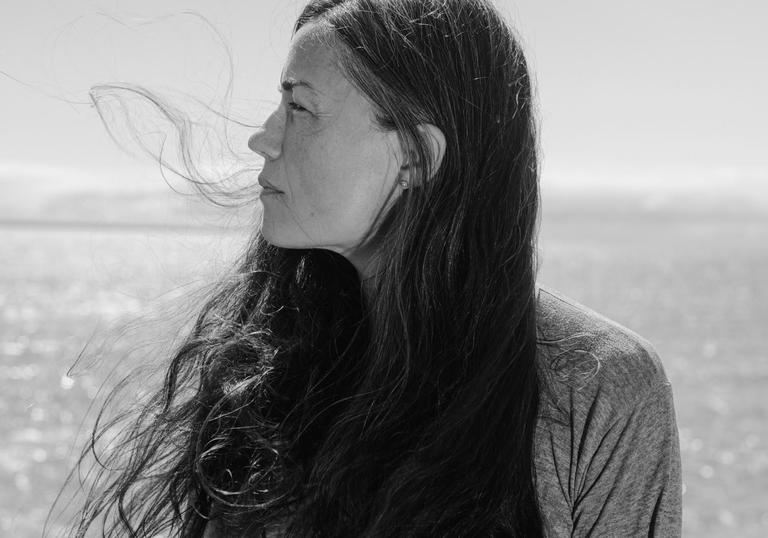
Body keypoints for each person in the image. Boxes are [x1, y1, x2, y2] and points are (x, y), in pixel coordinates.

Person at [64, 0, 682, 536]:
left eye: (300, 109)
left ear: (416, 156)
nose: (264, 138)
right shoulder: (266, 361)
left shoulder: (595, 385)